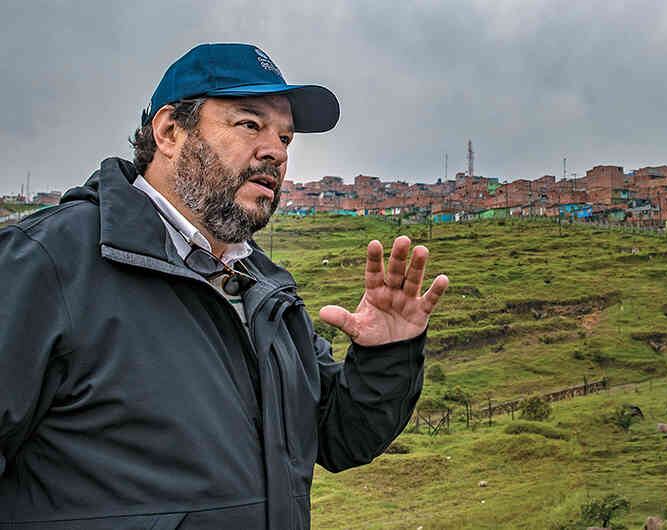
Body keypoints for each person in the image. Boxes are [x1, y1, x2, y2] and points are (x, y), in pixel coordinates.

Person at [0, 43, 448, 529]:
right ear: (170, 132)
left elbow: (340, 437)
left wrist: (388, 353)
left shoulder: (265, 289)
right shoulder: (43, 263)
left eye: (285, 138)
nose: (275, 152)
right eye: (249, 124)